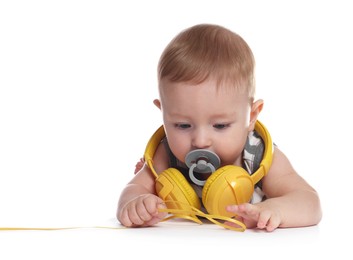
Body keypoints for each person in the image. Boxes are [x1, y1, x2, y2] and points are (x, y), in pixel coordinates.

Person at [116, 23, 322, 232]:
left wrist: (275, 209)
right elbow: (134, 188)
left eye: (220, 125)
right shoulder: (167, 153)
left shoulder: (258, 157)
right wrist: (135, 203)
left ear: (251, 116)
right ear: (163, 114)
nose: (201, 140)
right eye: (183, 125)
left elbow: (309, 202)